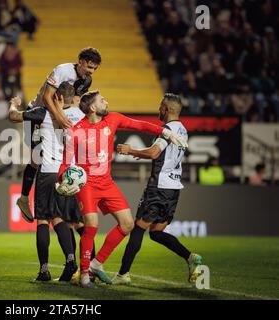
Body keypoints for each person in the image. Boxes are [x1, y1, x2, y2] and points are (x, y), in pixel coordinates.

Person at [56, 91, 188, 288]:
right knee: (91, 225)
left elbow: (140, 125)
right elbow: (65, 164)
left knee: (127, 224)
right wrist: (61, 181)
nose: (106, 102)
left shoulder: (113, 119)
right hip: (87, 185)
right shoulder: (75, 132)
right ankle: (84, 274)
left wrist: (166, 132)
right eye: (102, 100)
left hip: (107, 183)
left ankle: (95, 264)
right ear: (92, 108)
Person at [113, 93, 202, 285]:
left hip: (159, 187)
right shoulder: (183, 130)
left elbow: (154, 153)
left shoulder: (167, 129)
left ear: (167, 109)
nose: (158, 109)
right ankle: (190, 257)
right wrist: (142, 153)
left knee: (137, 229)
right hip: (173, 189)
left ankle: (123, 274)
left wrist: (131, 150)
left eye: (161, 106)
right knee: (156, 232)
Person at [8, 82, 84, 282]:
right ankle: (71, 261)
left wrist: (14, 104)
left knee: (43, 219)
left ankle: (44, 270)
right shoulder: (80, 115)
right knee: (60, 219)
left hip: (49, 171)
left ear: (56, 96)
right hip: (70, 175)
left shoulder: (43, 112)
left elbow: (13, 117)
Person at [17, 47, 100, 224]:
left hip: (57, 117)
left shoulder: (86, 80)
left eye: (94, 69)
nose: (91, 72)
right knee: (37, 158)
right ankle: (24, 198)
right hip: (39, 114)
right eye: (89, 67)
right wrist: (60, 117)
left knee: (60, 155)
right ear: (81, 61)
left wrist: (73, 119)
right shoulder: (63, 70)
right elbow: (47, 97)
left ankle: (62, 196)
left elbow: (75, 102)